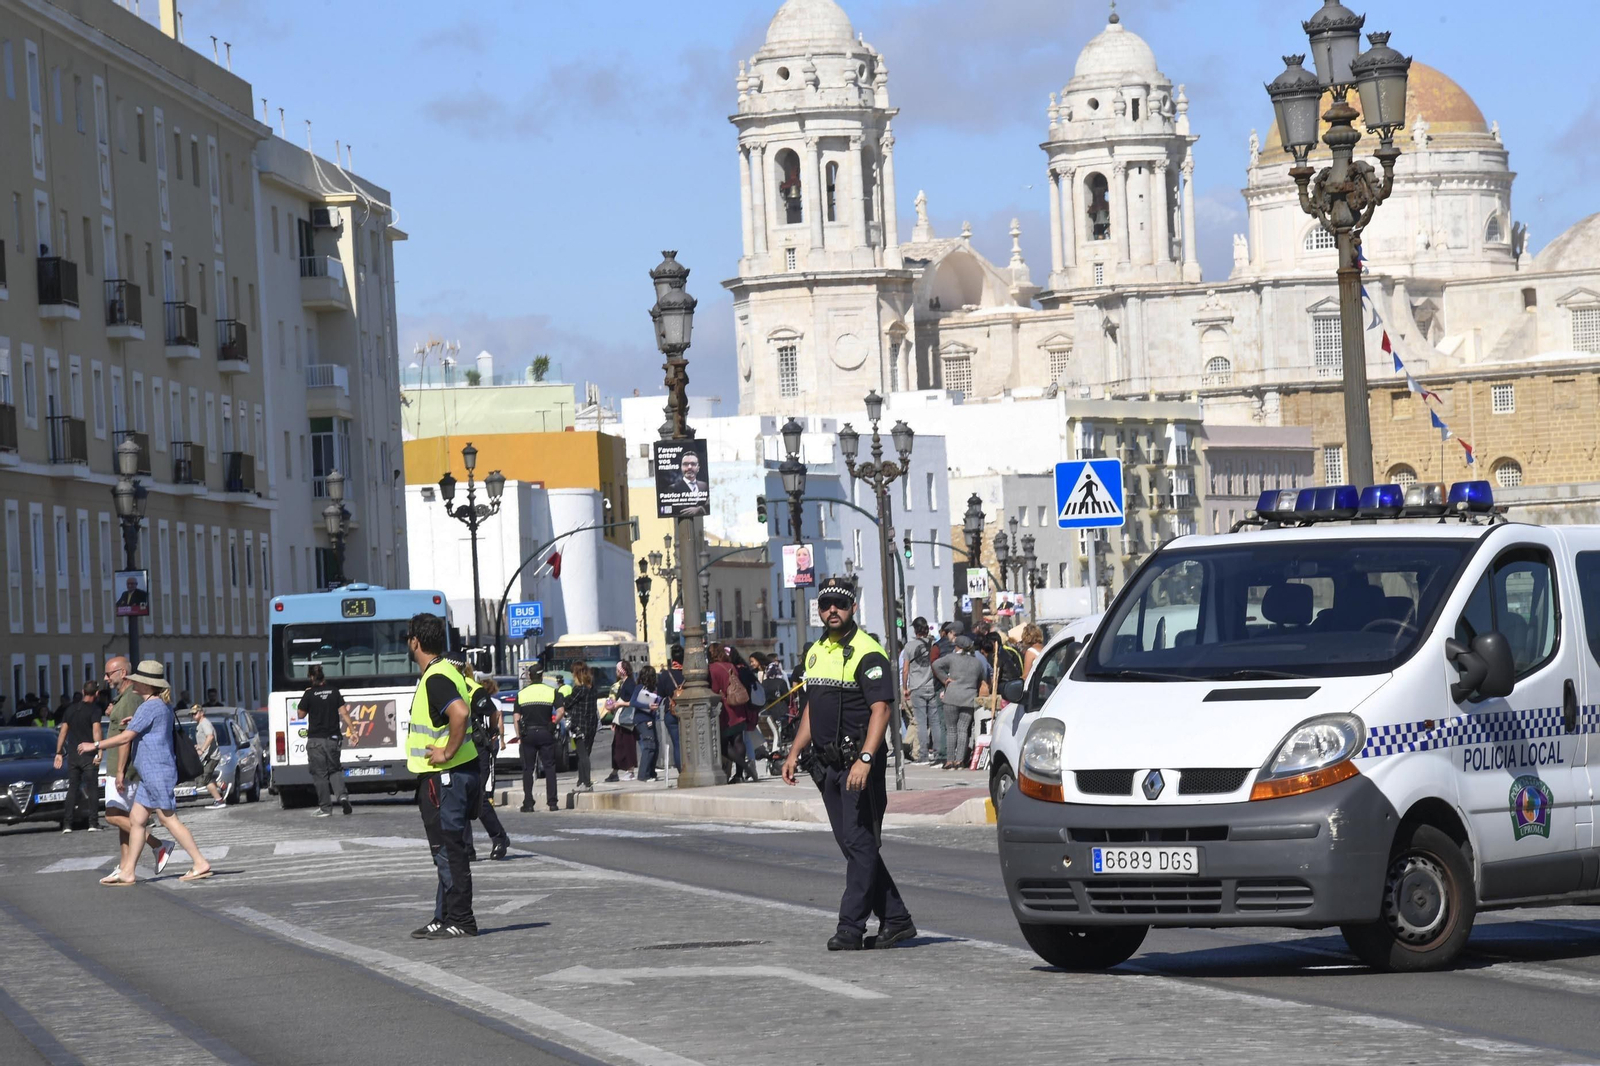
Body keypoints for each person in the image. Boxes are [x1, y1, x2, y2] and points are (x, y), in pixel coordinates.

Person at [781, 578, 915, 951]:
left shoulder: (866, 651)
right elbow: (812, 707)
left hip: (859, 765)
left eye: (839, 604)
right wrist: (794, 752)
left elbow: (881, 710)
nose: (832, 611)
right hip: (827, 766)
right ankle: (897, 919)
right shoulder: (817, 651)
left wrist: (866, 760)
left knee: (859, 843)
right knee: (855, 846)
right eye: (825, 605)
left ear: (852, 607)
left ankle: (850, 927)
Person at [81, 660, 211, 885]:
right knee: (137, 820)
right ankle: (128, 871)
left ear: (148, 685)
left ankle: (200, 862)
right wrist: (136, 721)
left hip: (156, 772)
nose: (133, 683)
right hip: (151, 772)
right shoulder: (160, 705)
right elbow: (154, 727)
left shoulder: (149, 706)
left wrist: (96, 746)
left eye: (138, 681)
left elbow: (125, 737)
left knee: (168, 819)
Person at [402, 613, 479, 940]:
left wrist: (446, 751)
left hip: (446, 776)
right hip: (454, 774)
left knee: (449, 849)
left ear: (415, 642)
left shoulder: (436, 677)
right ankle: (444, 915)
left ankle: (461, 919)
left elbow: (459, 712)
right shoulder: (448, 670)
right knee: (446, 847)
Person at [100, 657, 173, 875]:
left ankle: (158, 844)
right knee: (124, 817)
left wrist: (121, 770)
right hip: (119, 766)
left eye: (108, 674)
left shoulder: (131, 699)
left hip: (123, 767)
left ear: (122, 673)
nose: (105, 678)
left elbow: (126, 738)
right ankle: (125, 866)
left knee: (113, 816)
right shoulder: (123, 698)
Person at [455, 661, 509, 860]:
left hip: (477, 749)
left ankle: (499, 837)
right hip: (457, 749)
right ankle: (467, 849)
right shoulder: (448, 687)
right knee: (460, 799)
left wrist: (494, 733)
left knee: (478, 798)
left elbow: (492, 711)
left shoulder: (473, 689)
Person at [299, 664, 353, 817]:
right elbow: (345, 713)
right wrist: (353, 731)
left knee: (320, 774)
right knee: (335, 770)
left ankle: (325, 808)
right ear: (324, 677)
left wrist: (306, 696)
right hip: (333, 739)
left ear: (311, 677)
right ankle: (342, 796)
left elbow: (301, 714)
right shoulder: (334, 692)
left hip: (316, 740)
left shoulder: (309, 694)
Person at [933, 635, 988, 769]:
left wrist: (945, 679)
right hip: (968, 698)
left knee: (951, 729)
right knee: (963, 729)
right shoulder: (978, 662)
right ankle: (959, 760)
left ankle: (949, 760)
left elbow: (935, 664)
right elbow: (984, 678)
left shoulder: (952, 658)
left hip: (952, 696)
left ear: (958, 647)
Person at [54, 685, 104, 832]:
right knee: (92, 788)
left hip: (73, 755)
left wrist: (58, 752)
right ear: (96, 693)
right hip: (88, 754)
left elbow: (63, 732)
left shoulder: (70, 709)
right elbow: (96, 730)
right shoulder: (95, 710)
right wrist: (99, 750)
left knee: (72, 788)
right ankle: (93, 823)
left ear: (83, 692)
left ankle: (67, 824)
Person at [514, 666, 562, 812]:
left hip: (528, 734)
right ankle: (552, 802)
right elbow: (561, 711)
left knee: (528, 769)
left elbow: (516, 717)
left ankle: (528, 802)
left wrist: (519, 736)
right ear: (542, 676)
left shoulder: (522, 694)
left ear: (530, 676)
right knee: (549, 767)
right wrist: (553, 724)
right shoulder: (551, 691)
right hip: (545, 732)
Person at [709, 644, 754, 782]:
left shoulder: (712, 669)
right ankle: (739, 774)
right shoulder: (731, 666)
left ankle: (745, 766)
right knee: (738, 740)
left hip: (725, 709)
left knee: (722, 744)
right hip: (738, 707)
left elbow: (715, 689)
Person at [902, 618, 942, 765]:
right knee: (935, 722)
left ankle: (923, 754)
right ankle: (938, 752)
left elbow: (905, 669)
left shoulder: (909, 646)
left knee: (921, 722)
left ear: (915, 630)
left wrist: (905, 687)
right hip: (931, 686)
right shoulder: (933, 644)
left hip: (916, 687)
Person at [566, 663, 600, 792]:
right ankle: (581, 781)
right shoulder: (592, 688)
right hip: (591, 725)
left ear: (576, 674)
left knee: (582, 754)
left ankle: (586, 782)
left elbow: (568, 703)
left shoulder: (579, 690)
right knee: (585, 753)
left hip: (579, 726)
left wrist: (561, 698)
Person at [604, 662, 639, 782]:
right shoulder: (622, 684)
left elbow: (633, 701)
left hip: (626, 721)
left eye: (617, 670)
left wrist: (618, 704)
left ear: (621, 671)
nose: (616, 672)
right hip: (621, 721)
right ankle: (615, 772)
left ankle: (629, 771)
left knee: (626, 746)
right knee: (617, 746)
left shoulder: (629, 684)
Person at [190, 705, 229, 810]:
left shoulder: (204, 723)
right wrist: (198, 746)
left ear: (201, 713)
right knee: (206, 776)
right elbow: (206, 739)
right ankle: (221, 785)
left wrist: (202, 749)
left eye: (195, 713)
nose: (193, 715)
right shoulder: (201, 724)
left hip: (211, 756)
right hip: (208, 756)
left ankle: (219, 800)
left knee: (205, 779)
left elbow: (210, 736)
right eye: (192, 714)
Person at [654, 649, 683, 771]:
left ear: (672, 659)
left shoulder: (665, 675)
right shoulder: (689, 672)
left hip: (671, 711)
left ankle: (681, 772)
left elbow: (660, 694)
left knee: (677, 744)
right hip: (690, 711)